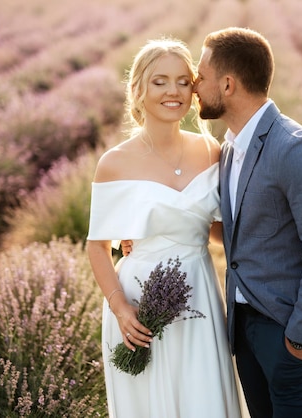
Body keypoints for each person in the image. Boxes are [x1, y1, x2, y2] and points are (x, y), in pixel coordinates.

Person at [193, 27, 302, 418]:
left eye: (201, 76)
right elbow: (241, 234)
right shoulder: (230, 147)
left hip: (289, 335)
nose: (195, 86)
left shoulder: (296, 149)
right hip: (245, 331)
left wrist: (299, 339)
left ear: (227, 85)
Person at [86, 38, 241, 418]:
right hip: (138, 304)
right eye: (159, 81)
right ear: (138, 90)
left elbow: (218, 231)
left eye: (183, 81)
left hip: (199, 294)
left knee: (202, 397)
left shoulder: (212, 151)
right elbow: (97, 246)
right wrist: (121, 308)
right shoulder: (114, 163)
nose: (173, 91)